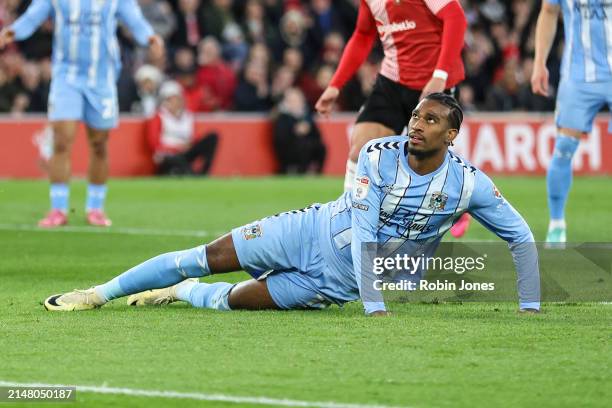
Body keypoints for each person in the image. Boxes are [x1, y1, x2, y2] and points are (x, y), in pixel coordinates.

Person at [43, 94, 540, 316]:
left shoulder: (469, 185)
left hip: (332, 283)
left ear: (451, 135)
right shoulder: (377, 154)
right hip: (308, 231)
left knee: (233, 301)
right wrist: (376, 305)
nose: (415, 124)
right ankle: (98, 294)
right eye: (414, 114)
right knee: (205, 257)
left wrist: (531, 304)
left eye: (430, 120)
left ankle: (182, 294)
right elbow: (365, 229)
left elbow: (519, 235)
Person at [0, 0, 164, 228]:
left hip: (102, 78)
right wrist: (13, 31)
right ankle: (58, 209)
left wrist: (149, 36)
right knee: (61, 140)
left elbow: (133, 18)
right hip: (66, 76)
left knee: (99, 143)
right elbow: (33, 16)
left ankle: (95, 208)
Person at [314, 0, 471, 238]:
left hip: (434, 82)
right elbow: (363, 35)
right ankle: (349, 224)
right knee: (361, 149)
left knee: (422, 163)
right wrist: (336, 84)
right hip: (392, 81)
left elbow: (456, 18)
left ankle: (455, 201)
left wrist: (440, 75)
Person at [530, 0, 612, 245]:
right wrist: (539, 63)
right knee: (564, 148)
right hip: (578, 75)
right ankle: (556, 225)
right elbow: (548, 11)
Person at [146, 80, 218, 176]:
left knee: (213, 137)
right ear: (165, 100)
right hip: (168, 155)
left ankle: (204, 172)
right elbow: (154, 144)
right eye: (173, 99)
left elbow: (192, 137)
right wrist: (177, 148)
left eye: (178, 98)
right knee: (175, 160)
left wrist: (189, 145)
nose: (177, 102)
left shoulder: (187, 116)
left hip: (185, 153)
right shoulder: (158, 117)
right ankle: (192, 175)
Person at [272, 87, 326, 174]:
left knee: (321, 147)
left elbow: (317, 135)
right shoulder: (282, 117)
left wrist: (308, 128)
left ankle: (316, 172)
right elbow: (279, 139)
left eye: (297, 100)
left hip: (307, 146)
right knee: (303, 145)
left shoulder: (307, 115)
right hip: (288, 149)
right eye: (292, 100)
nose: (295, 103)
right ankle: (300, 171)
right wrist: (295, 131)